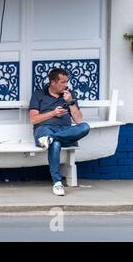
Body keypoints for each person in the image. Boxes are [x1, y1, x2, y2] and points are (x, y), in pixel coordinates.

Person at [29, 68, 90, 196]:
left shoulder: (69, 94)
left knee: (85, 127)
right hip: (44, 129)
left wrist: (71, 102)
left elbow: (78, 120)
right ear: (53, 82)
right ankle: (57, 183)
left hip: (65, 131)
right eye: (62, 82)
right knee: (55, 144)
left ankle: (51, 139)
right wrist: (53, 113)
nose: (66, 85)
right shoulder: (39, 94)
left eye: (66, 82)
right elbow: (33, 119)